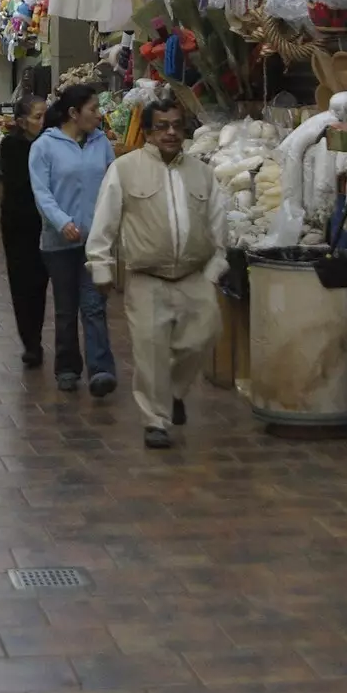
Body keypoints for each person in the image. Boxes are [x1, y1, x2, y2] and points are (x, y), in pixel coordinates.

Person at [87, 91, 227, 448]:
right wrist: (100, 266)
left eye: (177, 126)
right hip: (146, 276)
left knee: (204, 335)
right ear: (148, 132)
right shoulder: (125, 169)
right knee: (149, 351)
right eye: (162, 127)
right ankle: (156, 420)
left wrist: (215, 266)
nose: (170, 133)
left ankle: (175, 391)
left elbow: (217, 222)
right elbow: (104, 221)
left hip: (195, 275)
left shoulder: (202, 173)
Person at [28, 83, 117, 395]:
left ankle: (101, 369)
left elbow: (111, 185)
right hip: (59, 242)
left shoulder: (101, 142)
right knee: (66, 308)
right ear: (73, 113)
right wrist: (62, 222)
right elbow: (42, 192)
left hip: (95, 241)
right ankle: (67, 368)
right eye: (92, 109)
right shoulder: (44, 146)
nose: (98, 114)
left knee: (94, 306)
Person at [0, 95, 49, 368]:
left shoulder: (51, 143)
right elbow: (21, 185)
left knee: (40, 284)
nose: (43, 121)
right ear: (21, 122)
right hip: (20, 224)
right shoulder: (12, 146)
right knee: (22, 284)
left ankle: (36, 336)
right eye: (37, 117)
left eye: (45, 115)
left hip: (48, 223)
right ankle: (30, 342)